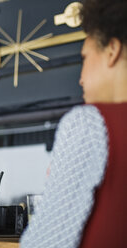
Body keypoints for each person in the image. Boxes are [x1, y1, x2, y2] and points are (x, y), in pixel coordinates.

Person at [20, 0, 127, 247]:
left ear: (111, 50)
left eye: (85, 58)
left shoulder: (88, 124)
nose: (80, 78)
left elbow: (45, 243)